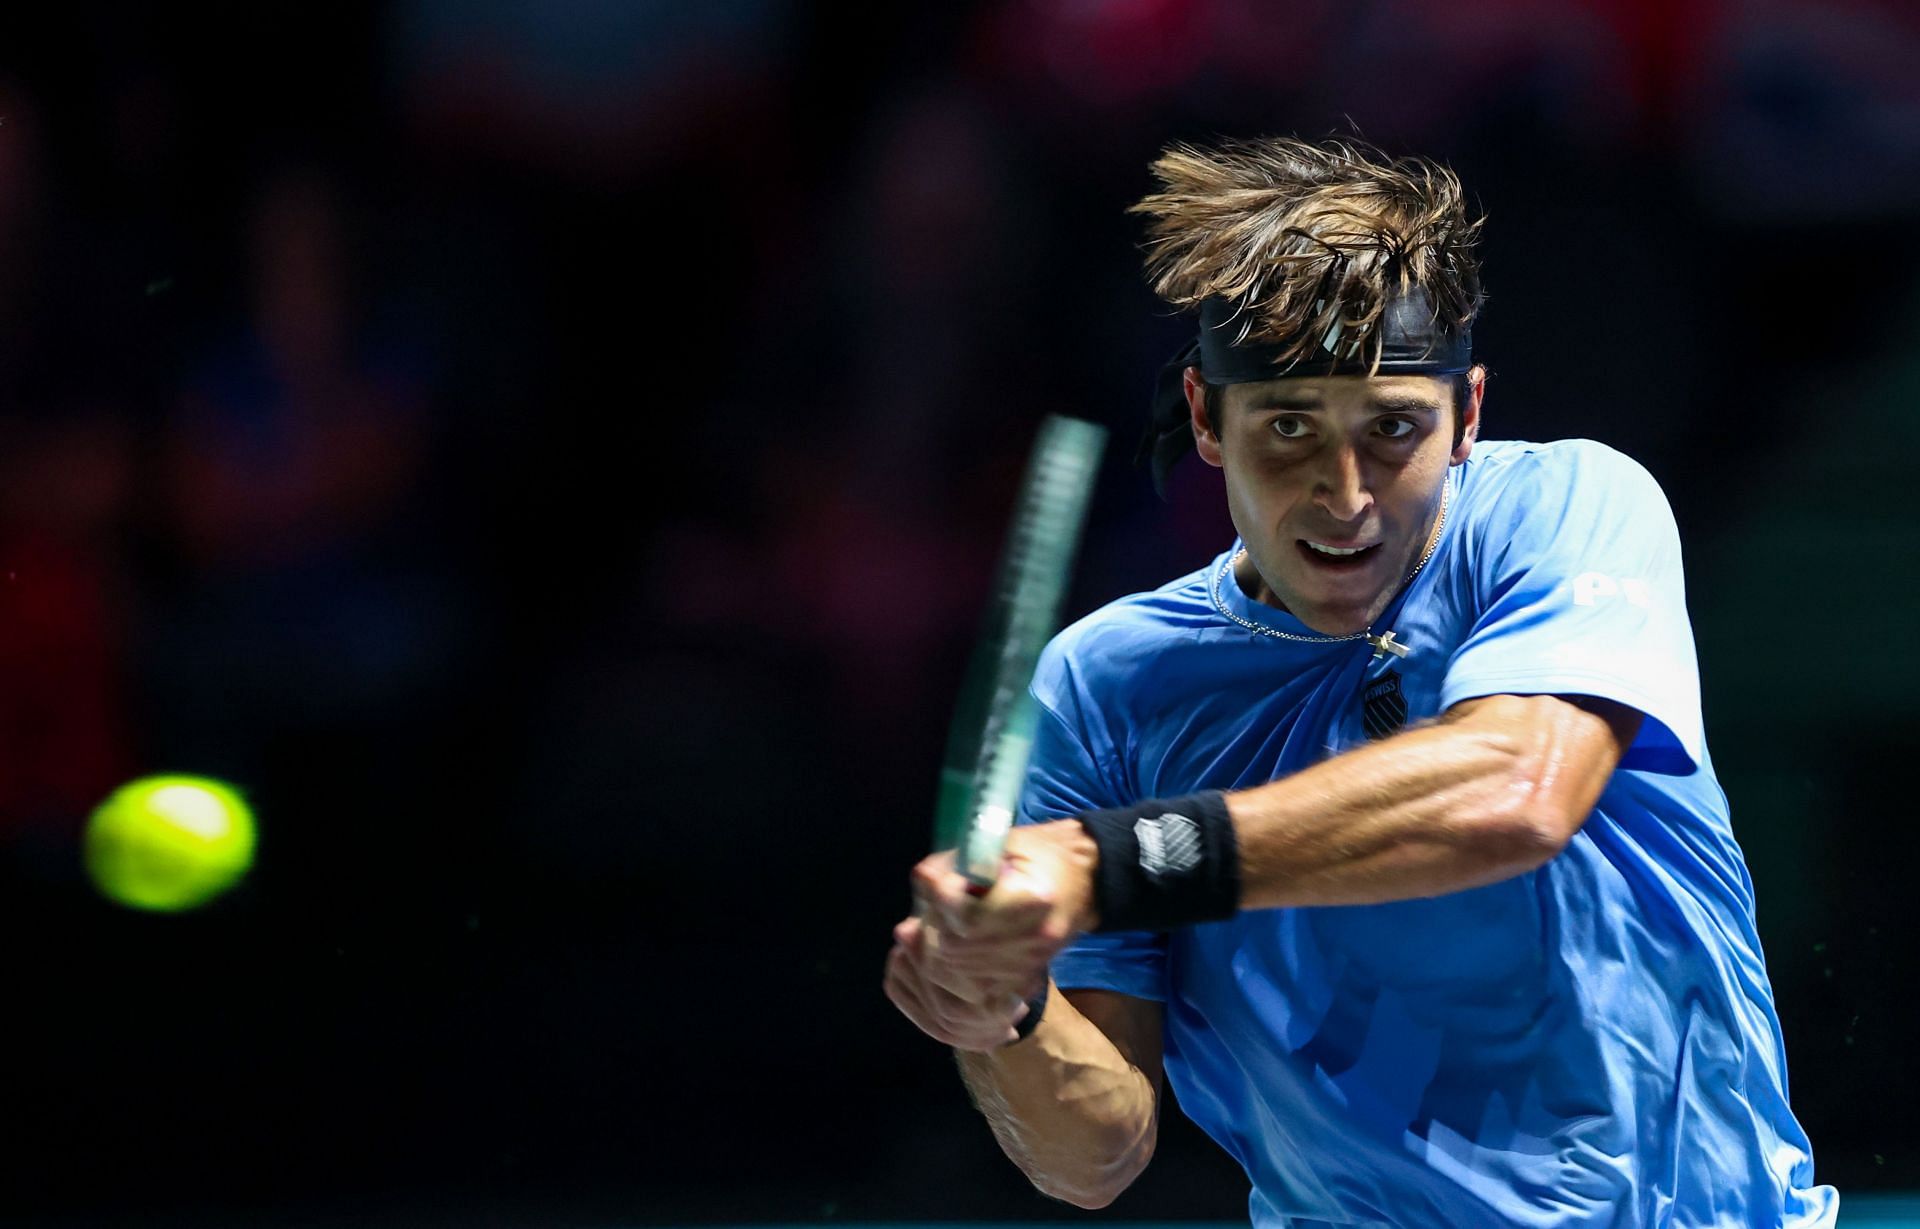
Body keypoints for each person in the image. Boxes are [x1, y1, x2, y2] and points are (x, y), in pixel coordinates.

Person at [883, 136, 1836, 1228]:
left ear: (1468, 413)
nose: (1344, 497)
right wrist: (1002, 1011)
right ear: (1205, 416)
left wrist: (1111, 861)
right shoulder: (1107, 688)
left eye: (1393, 429)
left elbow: (1516, 792)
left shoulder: (1569, 509)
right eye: (1288, 427)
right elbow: (1095, 1155)